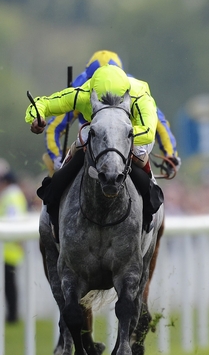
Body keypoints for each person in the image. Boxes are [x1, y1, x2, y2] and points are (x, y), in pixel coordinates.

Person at [26, 64, 164, 233]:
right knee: (81, 140)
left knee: (139, 153)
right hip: (98, 132)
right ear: (94, 98)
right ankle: (53, 206)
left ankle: (150, 207)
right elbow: (43, 104)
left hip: (132, 132)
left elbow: (148, 133)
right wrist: (36, 117)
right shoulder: (84, 94)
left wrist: (117, 136)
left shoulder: (140, 96)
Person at [42, 50, 181, 178]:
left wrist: (170, 155)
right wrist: (56, 157)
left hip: (126, 142)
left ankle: (153, 199)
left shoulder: (134, 89)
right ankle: (49, 202)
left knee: (145, 177)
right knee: (58, 182)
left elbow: (158, 123)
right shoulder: (80, 86)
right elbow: (54, 127)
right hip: (89, 141)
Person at [0, 160, 28, 323]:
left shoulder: (11, 195)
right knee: (10, 284)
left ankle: (12, 316)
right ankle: (12, 315)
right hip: (11, 247)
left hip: (9, 248)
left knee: (9, 285)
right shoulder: (14, 193)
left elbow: (12, 219)